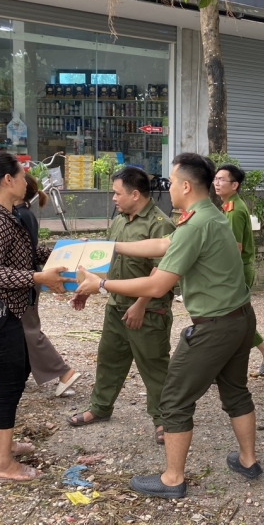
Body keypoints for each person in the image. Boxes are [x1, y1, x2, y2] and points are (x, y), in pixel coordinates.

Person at [75, 153, 261, 499]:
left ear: (186, 186)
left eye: (172, 182)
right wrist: (109, 246)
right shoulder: (211, 215)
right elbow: (164, 244)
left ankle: (173, 478)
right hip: (240, 319)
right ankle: (248, 460)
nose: (169, 188)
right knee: (235, 390)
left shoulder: (196, 225)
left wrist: (101, 285)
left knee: (173, 400)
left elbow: (157, 285)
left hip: (214, 327)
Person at [0, 153, 69, 482]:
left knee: (13, 378)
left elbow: (28, 253)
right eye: (21, 172)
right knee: (8, 386)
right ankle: (1, 464)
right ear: (7, 180)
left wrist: (68, 250)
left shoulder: (9, 214)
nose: (26, 178)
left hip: (9, 313)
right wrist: (36, 278)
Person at [68, 167, 176, 445]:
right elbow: (105, 261)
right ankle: (100, 408)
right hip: (115, 305)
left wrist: (141, 304)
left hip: (149, 310)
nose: (113, 198)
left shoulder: (159, 224)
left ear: (135, 194)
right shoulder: (118, 221)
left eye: (117, 193)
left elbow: (160, 272)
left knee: (154, 365)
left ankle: (164, 419)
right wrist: (86, 290)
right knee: (109, 359)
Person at [17, 174, 81, 397]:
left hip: (24, 281)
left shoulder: (19, 215)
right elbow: (34, 251)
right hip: (28, 279)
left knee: (29, 330)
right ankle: (18, 375)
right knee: (22, 330)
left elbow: (27, 253)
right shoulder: (25, 213)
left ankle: (63, 372)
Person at [214, 164, 264, 376]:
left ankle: (228, 365)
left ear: (235, 185)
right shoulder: (229, 206)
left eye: (222, 180)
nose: (216, 183)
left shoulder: (234, 211)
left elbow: (235, 248)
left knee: (231, 318)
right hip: (237, 270)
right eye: (215, 179)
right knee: (235, 317)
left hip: (236, 271)